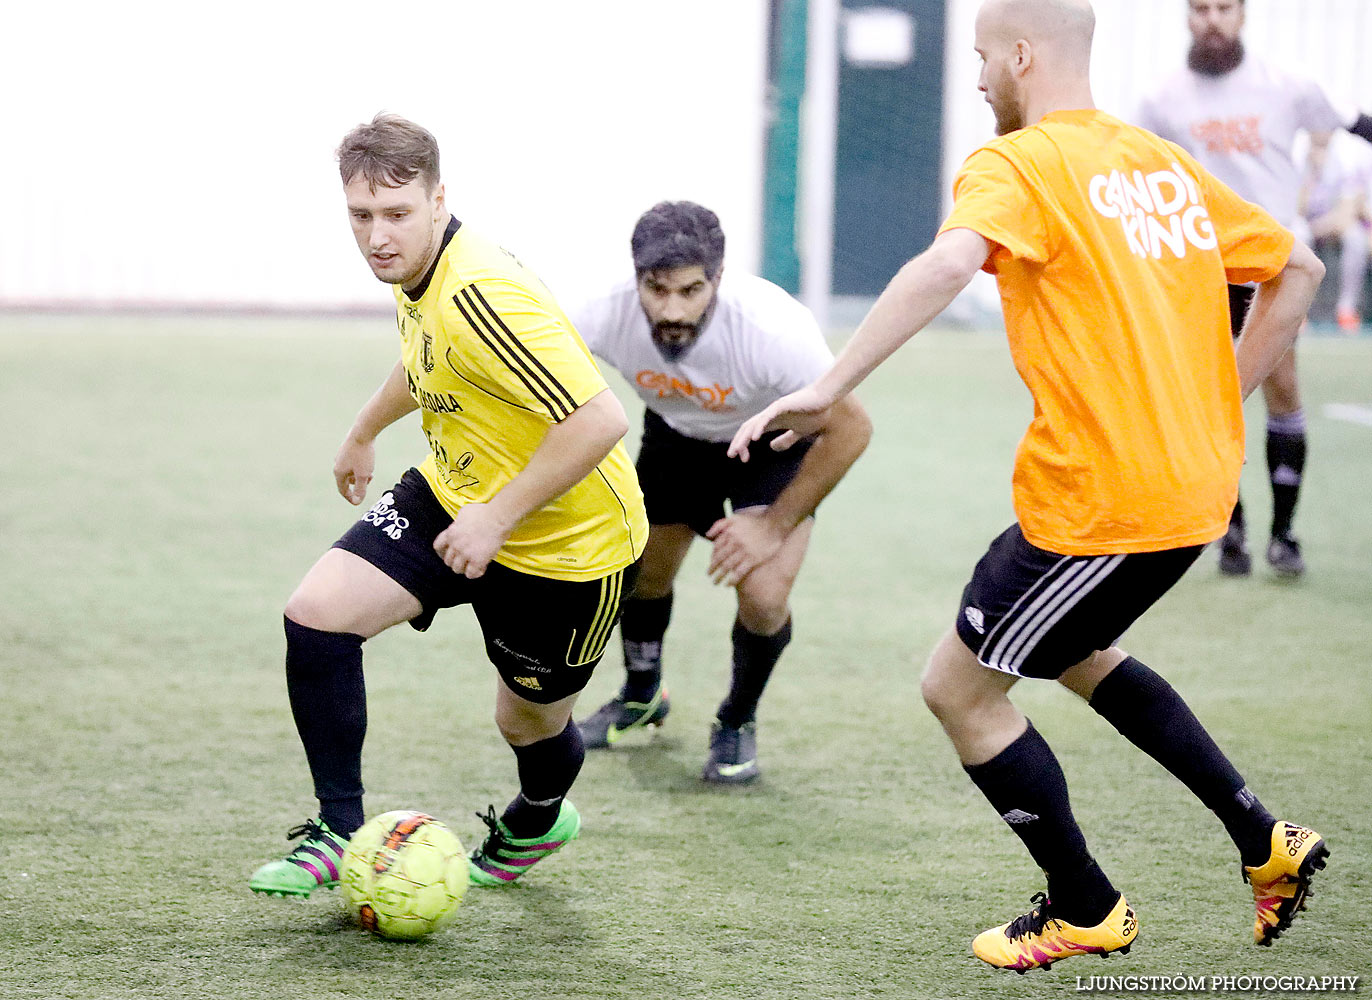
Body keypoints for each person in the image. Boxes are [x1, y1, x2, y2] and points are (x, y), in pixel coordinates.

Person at [731, 0, 1329, 972]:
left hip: (1101, 503)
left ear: (1020, 55)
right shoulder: (1156, 163)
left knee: (958, 689)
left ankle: (1085, 905)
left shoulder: (1014, 165)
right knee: (1076, 649)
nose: (973, 80)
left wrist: (825, 385)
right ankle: (1264, 840)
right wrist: (1221, 396)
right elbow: (1294, 268)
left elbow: (945, 262)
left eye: (978, 59)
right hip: (1177, 490)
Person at [249, 114, 648, 897]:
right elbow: (426, 359)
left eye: (396, 214)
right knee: (317, 613)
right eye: (360, 216)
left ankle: (538, 816)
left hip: (571, 543)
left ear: (440, 201)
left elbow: (601, 420)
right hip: (453, 492)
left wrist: (497, 518)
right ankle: (335, 830)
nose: (377, 236)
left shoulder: (483, 290)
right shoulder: (419, 275)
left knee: (526, 722)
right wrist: (364, 430)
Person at [569, 201, 871, 783]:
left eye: (690, 290)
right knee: (641, 573)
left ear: (719, 277)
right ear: (635, 277)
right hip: (676, 440)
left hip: (771, 443)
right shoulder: (601, 314)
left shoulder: (773, 330)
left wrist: (773, 525)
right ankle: (640, 697)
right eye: (656, 289)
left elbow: (852, 427)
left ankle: (736, 720)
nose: (671, 308)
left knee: (762, 596)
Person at [1136, 0, 1372, 577]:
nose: (1211, 20)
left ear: (1242, 15)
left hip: (1275, 265)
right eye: (1200, 9)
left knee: (1281, 389)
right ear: (1186, 17)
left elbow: (1355, 123)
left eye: (1224, 8)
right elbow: (1132, 179)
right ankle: (1230, 529)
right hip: (1197, 270)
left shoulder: (1286, 86)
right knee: (1210, 398)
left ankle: (1283, 533)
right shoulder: (1160, 100)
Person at [1298, 130, 1370, 332]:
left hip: (1334, 225)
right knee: (1299, 233)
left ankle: (1347, 310)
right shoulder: (1298, 159)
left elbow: (1346, 214)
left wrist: (1321, 227)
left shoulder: (1345, 159)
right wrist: (1312, 174)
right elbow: (1295, 209)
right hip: (1307, 227)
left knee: (1355, 238)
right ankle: (1299, 311)